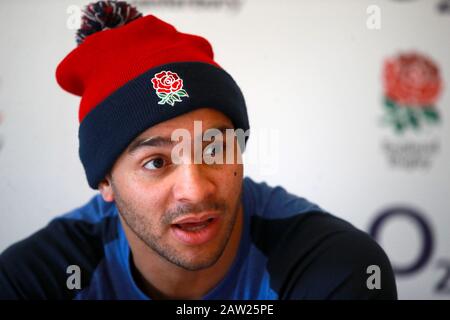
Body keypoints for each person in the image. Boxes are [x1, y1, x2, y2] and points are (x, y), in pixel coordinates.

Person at [0, 0, 397, 300]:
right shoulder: (34, 280)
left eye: (214, 149)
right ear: (105, 180)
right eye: (156, 162)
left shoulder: (334, 269)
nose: (196, 189)